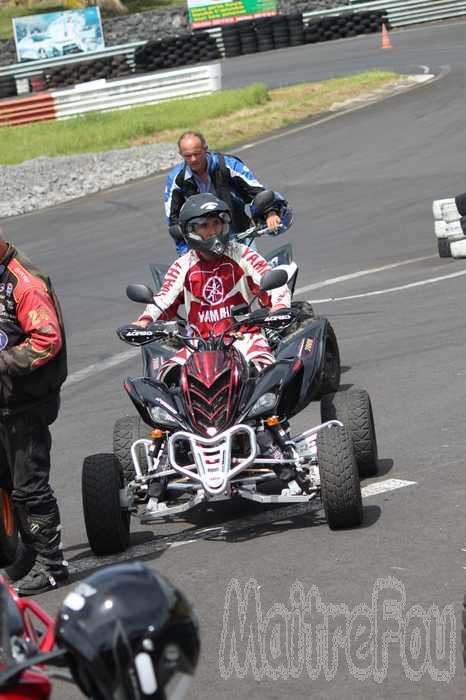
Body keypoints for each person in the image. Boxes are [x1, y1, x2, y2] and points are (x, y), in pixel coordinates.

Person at [136, 193, 291, 380]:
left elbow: (272, 282)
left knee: (269, 375)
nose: (213, 231)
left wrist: (279, 308)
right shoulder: (183, 265)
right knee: (163, 379)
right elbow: (163, 298)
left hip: (244, 339)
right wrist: (143, 321)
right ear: (190, 231)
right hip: (197, 345)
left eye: (216, 223)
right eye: (204, 226)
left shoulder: (242, 254)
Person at [0, 232, 68, 596]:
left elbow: (47, 340)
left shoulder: (24, 284)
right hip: (4, 401)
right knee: (6, 482)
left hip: (27, 403)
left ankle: (53, 565)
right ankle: (23, 555)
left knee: (29, 487)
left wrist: (3, 362)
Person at [164, 131, 285, 255]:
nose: (193, 159)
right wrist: (184, 251)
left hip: (239, 235)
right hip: (203, 244)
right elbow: (173, 220)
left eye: (197, 153)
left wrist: (270, 213)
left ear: (205, 149)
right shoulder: (176, 179)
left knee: (255, 272)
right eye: (188, 156)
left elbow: (256, 190)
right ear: (181, 155)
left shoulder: (227, 165)